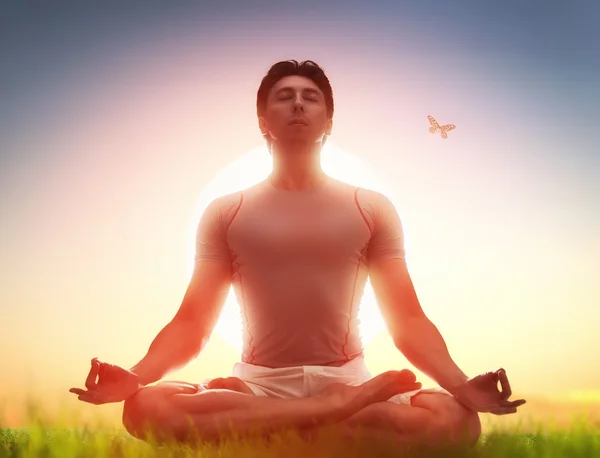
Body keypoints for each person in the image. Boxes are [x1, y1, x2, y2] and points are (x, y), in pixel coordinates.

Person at [70, 60, 526, 448]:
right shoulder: (226, 212)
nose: (298, 103)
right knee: (145, 408)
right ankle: (329, 418)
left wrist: (461, 385)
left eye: (311, 97)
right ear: (263, 120)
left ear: (328, 120)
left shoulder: (370, 207)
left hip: (347, 381)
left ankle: (281, 427)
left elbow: (407, 321)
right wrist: (135, 375)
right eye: (284, 96)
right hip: (258, 385)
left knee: (458, 422)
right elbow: (192, 324)